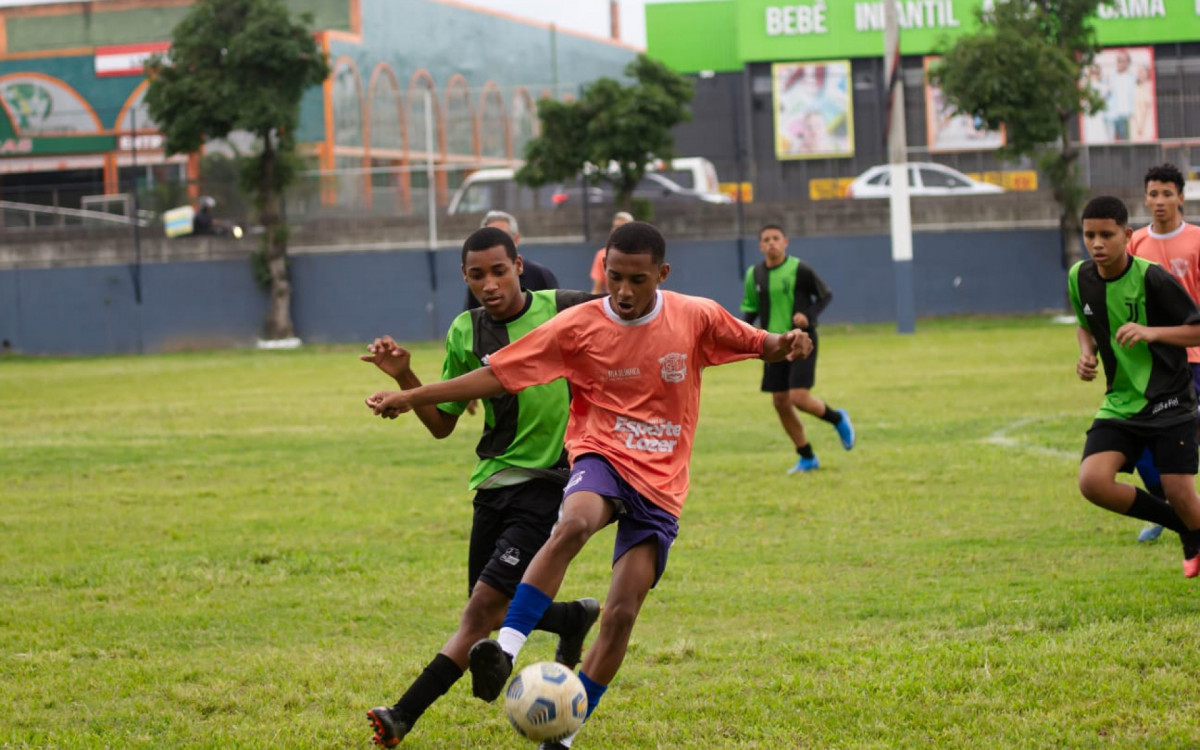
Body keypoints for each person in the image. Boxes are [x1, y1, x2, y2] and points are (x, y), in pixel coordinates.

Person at [366, 222, 812, 750]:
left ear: (662, 275)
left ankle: (564, 736)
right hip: (598, 454)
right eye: (615, 278)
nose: (623, 292)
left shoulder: (694, 315)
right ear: (604, 270)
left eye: (637, 280)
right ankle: (505, 649)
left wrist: (786, 343)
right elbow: (496, 376)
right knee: (573, 522)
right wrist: (411, 394)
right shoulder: (578, 324)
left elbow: (758, 342)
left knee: (622, 613)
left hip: (662, 483)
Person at [363, 226, 600, 748]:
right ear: (465, 278)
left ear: (519, 265)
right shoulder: (464, 332)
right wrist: (407, 378)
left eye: (498, 270)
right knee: (490, 609)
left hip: (549, 481)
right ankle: (572, 617)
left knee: (479, 613)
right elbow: (442, 423)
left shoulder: (565, 307)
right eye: (477, 275)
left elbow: (634, 315)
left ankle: (401, 716)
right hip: (493, 484)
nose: (489, 284)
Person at [1069, 195, 1200, 578]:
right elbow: (1084, 322)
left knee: (1180, 492)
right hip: (1121, 403)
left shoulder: (1151, 278)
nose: (1097, 243)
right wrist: (1085, 353)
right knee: (1093, 482)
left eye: (1106, 235)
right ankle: (1185, 529)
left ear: (1126, 235)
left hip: (1169, 401)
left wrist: (1151, 331)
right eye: (1089, 235)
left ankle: (1189, 525)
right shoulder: (1080, 277)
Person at [741, 224, 854, 474]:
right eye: (766, 239)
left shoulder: (800, 269)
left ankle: (838, 419)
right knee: (780, 401)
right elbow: (750, 309)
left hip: (802, 341)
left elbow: (825, 295)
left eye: (776, 238)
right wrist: (739, 335)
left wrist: (808, 315)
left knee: (798, 397)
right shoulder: (755, 274)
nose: (771, 243)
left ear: (785, 242)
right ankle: (807, 456)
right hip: (772, 344)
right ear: (760, 246)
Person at [1126, 164, 1200, 542]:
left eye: (1166, 194)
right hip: (1153, 365)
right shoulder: (1135, 243)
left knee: (1183, 439)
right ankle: (1168, 507)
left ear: (1181, 197)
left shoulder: (1197, 240)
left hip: (1195, 358)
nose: (1159, 201)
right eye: (1153, 194)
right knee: (1141, 444)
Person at [464, 210, 559, 310]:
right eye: (490, 239)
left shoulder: (539, 275)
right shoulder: (477, 284)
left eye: (500, 272)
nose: (490, 286)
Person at [589, 212, 633, 294]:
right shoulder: (602, 255)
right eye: (615, 226)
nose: (617, 230)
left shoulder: (643, 255)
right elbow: (597, 290)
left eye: (622, 227)